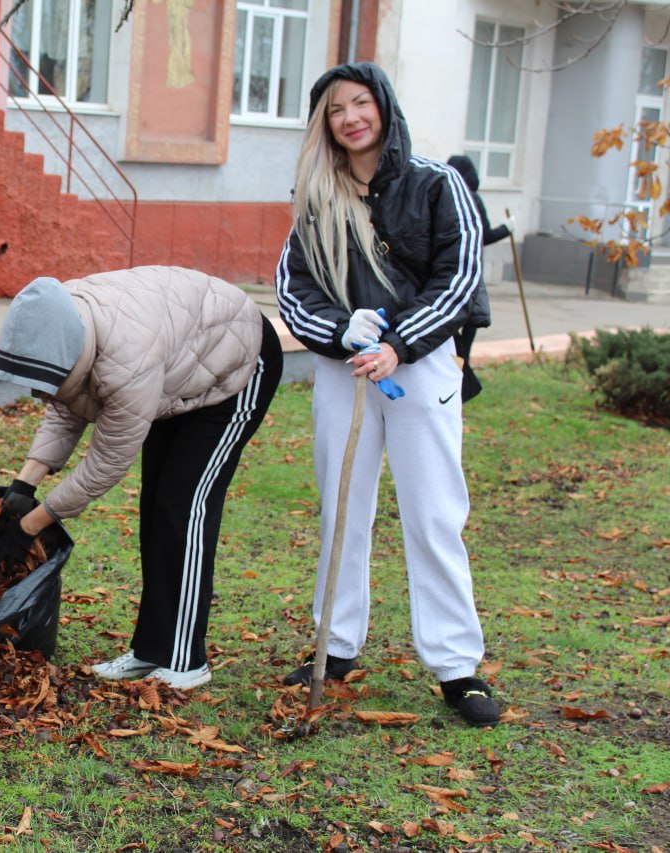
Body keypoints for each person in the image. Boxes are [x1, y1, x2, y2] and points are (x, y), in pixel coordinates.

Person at [274, 61, 500, 726]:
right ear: (325, 123)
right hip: (348, 369)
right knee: (342, 510)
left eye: (361, 102)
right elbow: (293, 288)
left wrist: (400, 342)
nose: (350, 117)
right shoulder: (316, 196)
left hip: (419, 366)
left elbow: (459, 276)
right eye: (336, 109)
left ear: (383, 106)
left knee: (433, 512)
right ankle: (336, 645)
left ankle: (458, 665)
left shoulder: (437, 185)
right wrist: (343, 332)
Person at [0, 266, 283, 689]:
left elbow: (104, 465)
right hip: (177, 366)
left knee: (184, 507)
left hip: (238, 361)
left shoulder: (125, 362)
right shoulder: (63, 322)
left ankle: (185, 660)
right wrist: (23, 486)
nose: (38, 393)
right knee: (157, 506)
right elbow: (64, 404)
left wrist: (30, 526)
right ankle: (151, 650)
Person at [447, 153, 514, 401]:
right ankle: (463, 373)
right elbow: (485, 235)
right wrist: (507, 228)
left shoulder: (447, 195)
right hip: (469, 273)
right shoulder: (471, 198)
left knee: (457, 328)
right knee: (468, 325)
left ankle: (461, 371)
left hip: (450, 273)